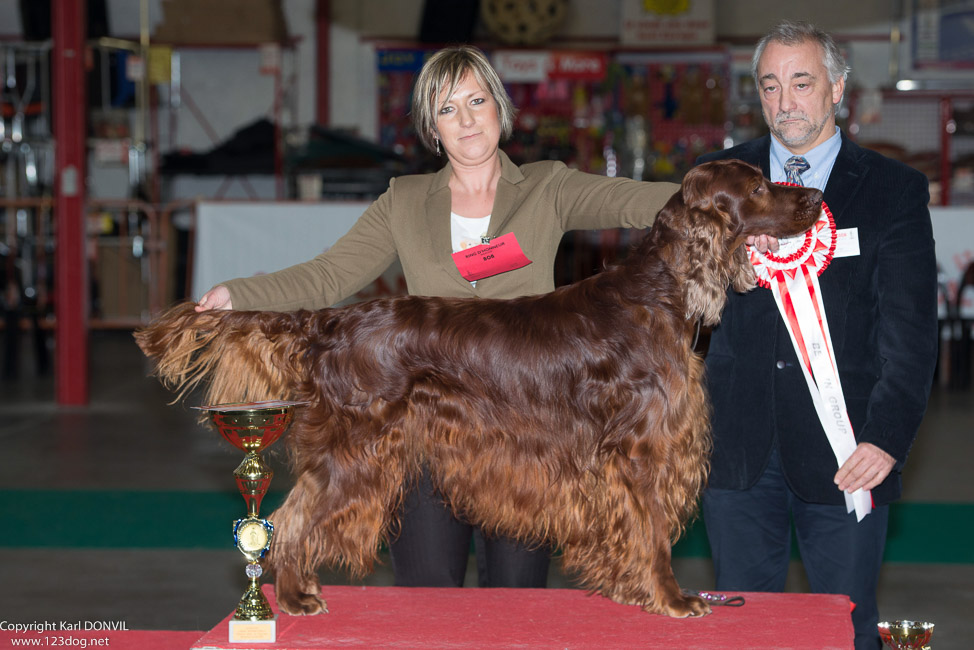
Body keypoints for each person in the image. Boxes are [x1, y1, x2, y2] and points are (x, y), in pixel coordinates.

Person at [195, 45, 680, 589]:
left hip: (529, 431)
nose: (467, 120)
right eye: (448, 109)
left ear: (500, 107)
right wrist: (239, 294)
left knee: (517, 604)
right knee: (428, 598)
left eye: (477, 101)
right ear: (432, 127)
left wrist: (736, 206)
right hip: (427, 422)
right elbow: (329, 275)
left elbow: (653, 202)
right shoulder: (404, 200)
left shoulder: (549, 186)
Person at [697, 20, 938, 650]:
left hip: (849, 450)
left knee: (848, 626)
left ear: (837, 88)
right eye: (771, 86)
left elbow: (911, 332)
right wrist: (726, 274)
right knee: (740, 631)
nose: (785, 103)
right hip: (736, 450)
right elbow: (677, 305)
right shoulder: (714, 180)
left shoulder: (893, 190)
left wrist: (886, 439)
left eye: (801, 83)